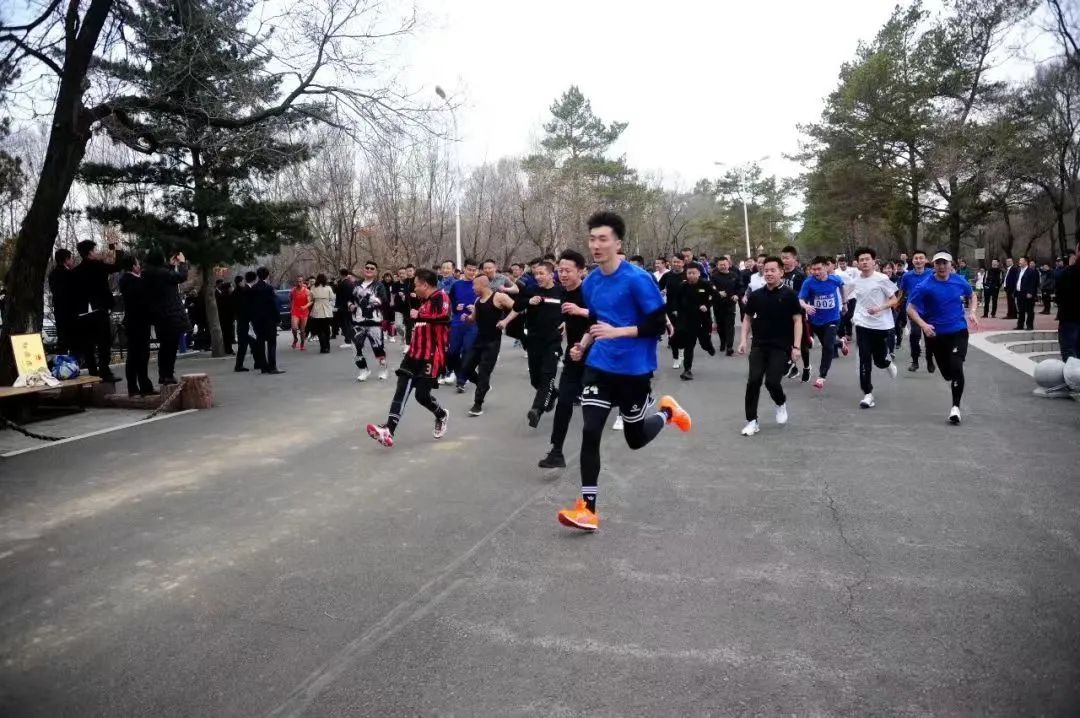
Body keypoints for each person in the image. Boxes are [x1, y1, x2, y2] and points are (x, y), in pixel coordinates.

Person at [555, 212, 692, 532]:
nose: (596, 245)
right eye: (592, 239)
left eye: (603, 239)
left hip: (634, 370)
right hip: (599, 365)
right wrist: (583, 345)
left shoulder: (637, 279)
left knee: (635, 439)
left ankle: (667, 413)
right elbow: (597, 320)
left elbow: (657, 325)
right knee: (590, 431)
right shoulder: (591, 282)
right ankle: (588, 509)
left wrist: (619, 332)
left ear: (618, 243)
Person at [365, 268, 450, 447]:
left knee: (422, 396)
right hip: (413, 354)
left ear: (425, 284)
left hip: (431, 356)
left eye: (416, 285)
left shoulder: (440, 297)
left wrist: (420, 314)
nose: (414, 288)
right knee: (402, 387)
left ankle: (441, 414)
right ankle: (388, 430)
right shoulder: (424, 300)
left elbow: (443, 316)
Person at [907, 252, 979, 424]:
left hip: (958, 331)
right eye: (938, 263)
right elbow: (910, 308)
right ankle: (947, 374)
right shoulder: (925, 286)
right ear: (933, 265)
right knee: (947, 374)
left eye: (945, 263)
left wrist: (972, 312)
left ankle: (955, 408)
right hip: (936, 334)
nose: (941, 266)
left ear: (951, 264)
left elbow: (972, 295)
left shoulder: (959, 280)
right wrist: (923, 325)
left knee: (956, 366)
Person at [738, 256, 801, 437]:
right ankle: (752, 421)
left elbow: (797, 320)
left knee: (772, 382)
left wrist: (796, 347)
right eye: (766, 270)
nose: (769, 273)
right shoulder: (756, 295)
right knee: (753, 381)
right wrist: (743, 340)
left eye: (773, 270)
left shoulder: (789, 295)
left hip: (780, 347)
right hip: (759, 345)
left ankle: (780, 402)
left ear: (781, 272)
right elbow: (747, 318)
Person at [538, 250, 590, 468]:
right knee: (565, 402)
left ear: (581, 271)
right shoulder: (562, 292)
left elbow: (606, 318)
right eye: (560, 270)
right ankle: (556, 452)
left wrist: (581, 311)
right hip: (574, 354)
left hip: (598, 356)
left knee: (596, 406)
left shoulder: (590, 291)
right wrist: (566, 324)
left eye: (568, 270)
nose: (563, 274)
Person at [500, 260, 565, 427]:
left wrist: (566, 322)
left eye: (541, 273)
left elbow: (570, 310)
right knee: (535, 380)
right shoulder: (531, 289)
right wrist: (528, 302)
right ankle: (552, 394)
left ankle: (536, 410)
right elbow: (517, 306)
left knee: (547, 375)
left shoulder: (561, 291)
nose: (538, 277)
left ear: (551, 275)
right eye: (536, 274)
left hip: (552, 341)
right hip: (534, 340)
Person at [850, 247, 899, 409]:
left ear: (873, 261)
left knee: (879, 361)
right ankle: (867, 394)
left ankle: (887, 363)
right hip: (862, 324)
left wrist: (880, 308)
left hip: (881, 325)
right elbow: (849, 295)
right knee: (864, 358)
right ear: (857, 263)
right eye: (861, 260)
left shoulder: (882, 278)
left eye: (867, 259)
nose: (864, 262)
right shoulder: (855, 280)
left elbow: (894, 300)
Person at [459, 274, 514, 416]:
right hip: (479, 340)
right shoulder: (478, 300)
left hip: (492, 342)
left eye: (474, 285)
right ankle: (483, 385)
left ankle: (477, 404)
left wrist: (505, 321)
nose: (472, 288)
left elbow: (517, 308)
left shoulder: (499, 297)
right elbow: (473, 319)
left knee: (484, 371)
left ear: (482, 284)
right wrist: (466, 318)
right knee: (465, 367)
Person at [72, 239, 122, 381]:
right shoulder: (98, 266)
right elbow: (117, 266)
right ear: (89, 253)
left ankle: (93, 372)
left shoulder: (75, 271)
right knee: (104, 342)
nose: (97, 252)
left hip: (83, 312)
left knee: (88, 344)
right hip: (99, 309)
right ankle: (105, 372)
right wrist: (118, 250)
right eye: (94, 250)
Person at [141, 249, 190, 385]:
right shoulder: (162, 273)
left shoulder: (147, 274)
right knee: (171, 346)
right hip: (170, 314)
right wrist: (182, 263)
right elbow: (181, 277)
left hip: (158, 315)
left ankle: (163, 374)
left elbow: (166, 277)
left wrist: (170, 265)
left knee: (164, 346)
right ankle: (168, 374)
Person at [798, 256, 846, 389]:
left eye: (819, 269)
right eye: (813, 269)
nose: (816, 272)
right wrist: (806, 306)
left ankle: (821, 376)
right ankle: (840, 343)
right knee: (826, 342)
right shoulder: (809, 282)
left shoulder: (834, 279)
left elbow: (842, 287)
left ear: (826, 267)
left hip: (833, 318)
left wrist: (845, 302)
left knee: (827, 347)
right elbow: (800, 299)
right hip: (816, 320)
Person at [117, 255, 156, 397]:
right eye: (138, 264)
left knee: (139, 355)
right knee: (137, 356)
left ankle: (141, 386)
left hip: (136, 322)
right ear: (133, 266)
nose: (140, 266)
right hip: (137, 322)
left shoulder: (128, 280)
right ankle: (136, 387)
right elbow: (143, 299)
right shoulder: (132, 281)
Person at [674, 262, 716, 381]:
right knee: (689, 345)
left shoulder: (706, 284)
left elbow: (715, 296)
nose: (691, 275)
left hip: (702, 319)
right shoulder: (682, 286)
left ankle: (709, 347)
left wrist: (707, 305)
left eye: (693, 273)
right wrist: (676, 310)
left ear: (699, 274)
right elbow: (677, 300)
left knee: (704, 342)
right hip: (688, 320)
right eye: (689, 273)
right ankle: (687, 370)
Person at [350, 261, 390, 381]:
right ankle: (363, 370)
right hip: (358, 321)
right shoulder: (356, 284)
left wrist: (368, 296)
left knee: (378, 348)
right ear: (364, 269)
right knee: (355, 348)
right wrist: (350, 305)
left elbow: (383, 301)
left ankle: (383, 369)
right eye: (367, 268)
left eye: (372, 268)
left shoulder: (379, 285)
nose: (369, 270)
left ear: (376, 272)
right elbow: (349, 299)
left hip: (374, 322)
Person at [446, 259, 480, 387]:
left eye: (474, 270)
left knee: (467, 350)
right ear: (464, 269)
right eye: (469, 269)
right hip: (457, 322)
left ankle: (461, 380)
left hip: (473, 323)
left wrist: (476, 308)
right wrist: (456, 307)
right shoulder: (456, 285)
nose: (471, 272)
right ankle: (459, 373)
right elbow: (451, 302)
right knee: (453, 352)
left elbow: (485, 301)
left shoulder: (478, 284)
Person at [898, 249, 933, 373]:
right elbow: (902, 292)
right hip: (913, 310)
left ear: (926, 260)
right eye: (916, 258)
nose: (918, 260)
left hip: (930, 310)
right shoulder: (907, 276)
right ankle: (915, 361)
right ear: (912, 261)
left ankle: (930, 359)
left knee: (929, 336)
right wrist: (897, 304)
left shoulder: (932, 273)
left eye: (921, 258)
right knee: (915, 334)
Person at [780, 245, 811, 382]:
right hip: (782, 314)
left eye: (787, 258)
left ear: (794, 259)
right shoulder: (779, 273)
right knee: (785, 341)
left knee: (801, 344)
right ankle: (793, 367)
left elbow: (803, 295)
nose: (784, 260)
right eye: (783, 258)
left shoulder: (800, 276)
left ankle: (807, 367)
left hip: (797, 314)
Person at [251, 267, 284, 374]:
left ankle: (263, 367)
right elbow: (273, 304)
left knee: (260, 342)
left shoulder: (253, 288)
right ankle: (272, 366)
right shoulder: (269, 288)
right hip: (269, 319)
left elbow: (251, 305)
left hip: (257, 320)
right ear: (267, 275)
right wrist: (278, 318)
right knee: (272, 343)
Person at [47, 249, 79, 357]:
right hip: (71, 312)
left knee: (63, 339)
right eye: (71, 258)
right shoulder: (69, 274)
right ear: (66, 259)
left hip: (59, 311)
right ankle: (74, 362)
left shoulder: (52, 274)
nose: (72, 261)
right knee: (74, 340)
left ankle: (63, 361)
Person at [710, 256, 742, 356]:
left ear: (728, 264)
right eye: (721, 265)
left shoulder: (734, 275)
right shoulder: (714, 276)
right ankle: (723, 341)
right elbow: (710, 288)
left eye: (724, 264)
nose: (723, 266)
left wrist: (737, 295)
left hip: (730, 304)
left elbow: (740, 288)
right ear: (717, 265)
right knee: (720, 326)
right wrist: (717, 292)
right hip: (718, 304)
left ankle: (729, 347)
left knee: (730, 325)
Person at [233, 272, 265, 371]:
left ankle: (256, 363)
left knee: (251, 343)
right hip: (246, 322)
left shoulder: (239, 291)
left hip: (243, 321)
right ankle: (240, 365)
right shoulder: (246, 291)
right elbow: (247, 307)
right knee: (246, 344)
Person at [659, 255, 685, 369]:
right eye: (674, 262)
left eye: (678, 262)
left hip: (685, 309)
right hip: (670, 308)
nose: (676, 264)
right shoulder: (667, 275)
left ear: (683, 263)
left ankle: (682, 352)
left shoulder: (687, 274)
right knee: (673, 333)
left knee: (683, 333)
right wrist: (661, 292)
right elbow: (657, 287)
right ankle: (676, 357)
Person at [1054, 246, 1080, 360]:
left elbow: (1059, 294)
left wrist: (1070, 266)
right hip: (1071, 317)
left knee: (1069, 351)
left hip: (1070, 318)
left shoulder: (1068, 273)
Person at [308, 273, 335, 353]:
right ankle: (327, 347)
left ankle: (322, 347)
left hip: (317, 310)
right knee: (326, 329)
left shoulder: (313, 288)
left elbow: (311, 298)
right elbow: (332, 298)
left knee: (319, 330)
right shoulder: (328, 287)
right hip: (326, 310)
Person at [1014, 256, 1038, 331]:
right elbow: (1018, 281)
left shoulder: (1031, 271)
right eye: (1019, 260)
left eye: (1021, 261)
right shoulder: (1019, 270)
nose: (1019, 262)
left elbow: (1033, 283)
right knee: (1021, 310)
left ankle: (1029, 325)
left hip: (1027, 294)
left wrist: (1030, 292)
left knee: (1029, 310)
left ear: (1026, 262)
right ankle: (1020, 325)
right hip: (1019, 293)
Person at [289, 275, 311, 350]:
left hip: (304, 311)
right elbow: (291, 299)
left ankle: (302, 343)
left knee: (302, 330)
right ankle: (295, 339)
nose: (299, 283)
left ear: (303, 282)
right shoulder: (293, 291)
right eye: (297, 281)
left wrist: (305, 306)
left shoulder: (306, 291)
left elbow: (309, 302)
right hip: (295, 311)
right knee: (294, 328)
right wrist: (291, 307)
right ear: (295, 282)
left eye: (300, 281)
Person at [334, 269, 356, 347]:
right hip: (350, 305)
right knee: (349, 323)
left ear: (341, 274)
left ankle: (348, 341)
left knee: (345, 324)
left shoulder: (342, 283)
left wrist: (337, 306)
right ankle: (352, 339)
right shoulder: (351, 283)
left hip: (343, 306)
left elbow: (339, 295)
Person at [215, 280, 235, 355]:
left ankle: (228, 348)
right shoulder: (227, 296)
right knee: (227, 335)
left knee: (226, 334)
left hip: (225, 318)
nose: (232, 288)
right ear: (228, 288)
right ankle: (228, 349)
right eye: (231, 287)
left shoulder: (222, 295)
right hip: (227, 318)